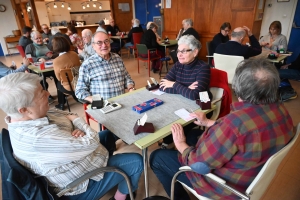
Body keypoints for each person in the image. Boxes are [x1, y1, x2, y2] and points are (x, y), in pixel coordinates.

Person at [150, 58, 294, 200]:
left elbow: (198, 165)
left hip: (224, 188)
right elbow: (244, 134)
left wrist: (180, 144)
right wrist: (208, 122)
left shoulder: (234, 124)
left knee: (157, 157)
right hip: (252, 174)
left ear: (237, 88)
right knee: (194, 133)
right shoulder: (281, 110)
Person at [0, 73, 143, 200]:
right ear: (24, 110)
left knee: (107, 134)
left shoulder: (23, 118)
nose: (48, 94)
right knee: (136, 161)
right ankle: (120, 196)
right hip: (76, 186)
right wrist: (76, 121)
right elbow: (86, 134)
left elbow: (63, 115)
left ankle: (111, 168)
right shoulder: (38, 138)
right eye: (41, 93)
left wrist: (75, 131)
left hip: (77, 160)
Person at [159, 35, 211, 149]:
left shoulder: (203, 68)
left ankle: (175, 140)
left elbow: (194, 95)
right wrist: (186, 87)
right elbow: (162, 86)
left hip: (201, 106)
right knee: (164, 111)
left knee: (176, 118)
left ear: (195, 52)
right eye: (178, 51)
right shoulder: (178, 65)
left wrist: (174, 84)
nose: (179, 55)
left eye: (183, 51)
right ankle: (170, 138)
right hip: (181, 100)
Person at [76, 31, 135, 102]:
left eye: (106, 41)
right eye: (99, 43)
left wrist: (131, 88)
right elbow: (79, 90)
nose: (104, 45)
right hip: (103, 106)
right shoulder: (87, 65)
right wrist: (92, 99)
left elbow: (127, 78)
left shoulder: (117, 58)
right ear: (93, 46)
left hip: (122, 102)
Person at [52, 36, 81, 110]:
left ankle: (61, 103)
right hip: (80, 82)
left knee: (58, 83)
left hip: (69, 87)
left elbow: (58, 77)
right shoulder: (74, 54)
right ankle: (76, 97)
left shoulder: (56, 61)